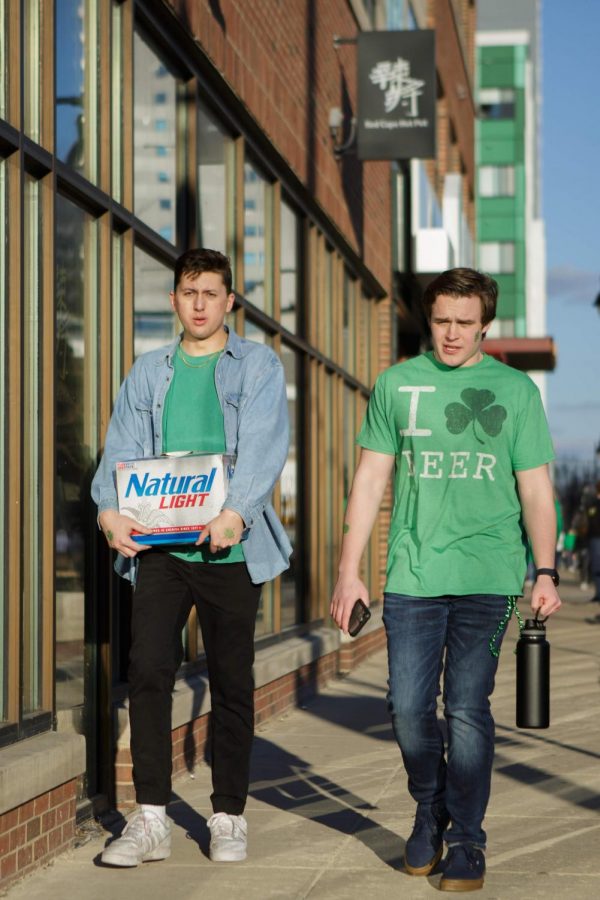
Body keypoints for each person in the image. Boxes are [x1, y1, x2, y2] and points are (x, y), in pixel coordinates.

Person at [331, 267, 561, 892]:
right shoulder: (397, 385)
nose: (452, 334)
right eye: (441, 322)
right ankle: (428, 803)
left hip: (489, 575)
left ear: (486, 323)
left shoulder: (514, 392)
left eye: (465, 323)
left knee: (465, 709)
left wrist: (544, 568)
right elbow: (370, 481)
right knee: (407, 709)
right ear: (426, 320)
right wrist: (348, 572)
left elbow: (536, 488)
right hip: (413, 572)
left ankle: (466, 838)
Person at [91, 248, 291, 867]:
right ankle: (149, 817)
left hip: (230, 551)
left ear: (230, 300)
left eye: (211, 292)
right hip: (163, 550)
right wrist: (108, 509)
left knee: (232, 682)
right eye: (188, 292)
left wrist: (236, 513)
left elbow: (263, 448)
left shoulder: (257, 367)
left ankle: (227, 813)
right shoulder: (149, 373)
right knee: (149, 669)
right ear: (174, 301)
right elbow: (120, 448)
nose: (199, 303)